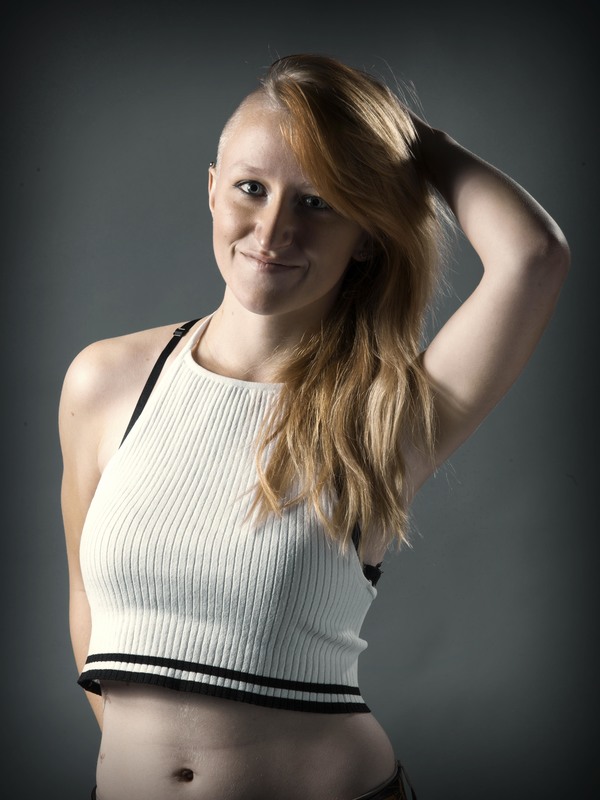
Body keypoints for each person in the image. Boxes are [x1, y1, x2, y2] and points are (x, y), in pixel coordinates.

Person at [59, 53, 569, 800]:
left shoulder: (384, 413)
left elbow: (533, 257)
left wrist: (413, 141)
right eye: (251, 188)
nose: (273, 230)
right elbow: (86, 604)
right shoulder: (103, 380)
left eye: (319, 201)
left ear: (366, 234)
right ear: (212, 190)